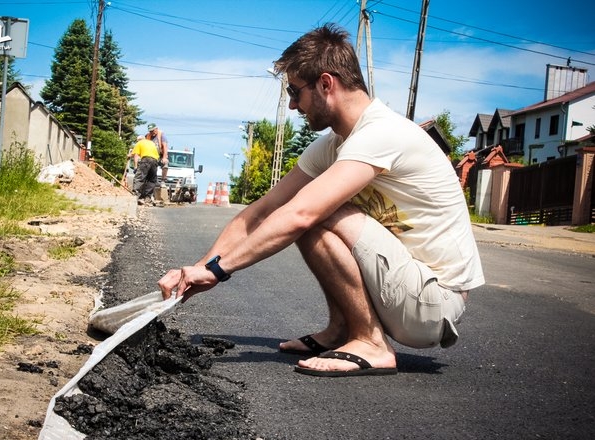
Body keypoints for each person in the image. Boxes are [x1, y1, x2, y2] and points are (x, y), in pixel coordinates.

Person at [158, 23, 485, 378]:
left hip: (433, 304)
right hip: (405, 291)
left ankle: (371, 342)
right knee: (307, 209)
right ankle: (341, 331)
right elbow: (262, 210)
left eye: (295, 91)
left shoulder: (382, 132)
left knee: (315, 212)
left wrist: (219, 271)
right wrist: (199, 270)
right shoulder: (333, 145)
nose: (292, 104)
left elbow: (299, 214)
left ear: (326, 84)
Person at [130, 134, 159, 205]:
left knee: (139, 178)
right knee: (151, 180)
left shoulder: (139, 143)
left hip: (146, 159)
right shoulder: (151, 143)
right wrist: (130, 155)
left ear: (139, 140)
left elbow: (136, 156)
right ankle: (148, 198)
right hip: (155, 161)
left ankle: (135, 196)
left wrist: (136, 166)